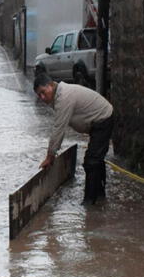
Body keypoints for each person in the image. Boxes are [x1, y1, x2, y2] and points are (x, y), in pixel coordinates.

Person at [34, 73, 114, 205]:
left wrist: (50, 156)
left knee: (91, 161)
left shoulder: (64, 97)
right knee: (96, 160)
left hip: (103, 119)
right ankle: (100, 196)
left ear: (51, 85)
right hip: (98, 121)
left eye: (43, 92)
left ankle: (89, 203)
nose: (42, 97)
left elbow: (58, 129)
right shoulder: (59, 95)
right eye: (39, 95)